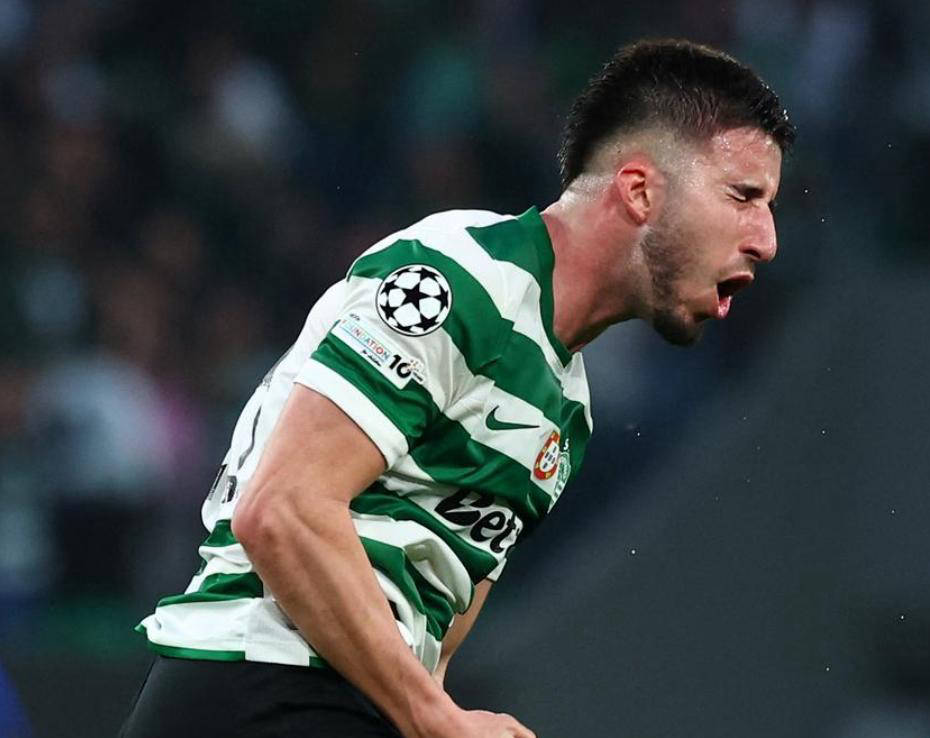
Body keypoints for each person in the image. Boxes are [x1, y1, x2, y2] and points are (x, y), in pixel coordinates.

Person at [119, 38, 794, 738]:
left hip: (351, 698)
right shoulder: (456, 280)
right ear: (639, 190)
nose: (767, 240)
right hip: (261, 683)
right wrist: (433, 716)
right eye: (743, 196)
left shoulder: (565, 409)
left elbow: (428, 641)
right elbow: (282, 510)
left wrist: (432, 711)